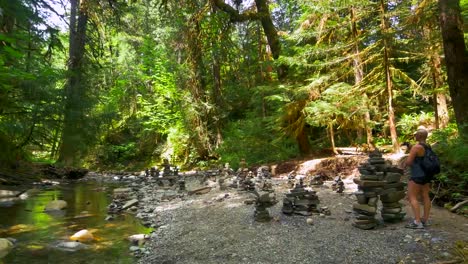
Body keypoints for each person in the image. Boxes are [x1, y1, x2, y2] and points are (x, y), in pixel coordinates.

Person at [404, 127, 432, 229]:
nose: (414, 136)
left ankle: (417, 222)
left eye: (416, 134)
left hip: (417, 175)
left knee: (412, 197)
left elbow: (409, 162)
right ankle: (425, 219)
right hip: (427, 175)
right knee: (425, 196)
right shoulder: (428, 146)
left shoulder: (416, 147)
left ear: (419, 136)